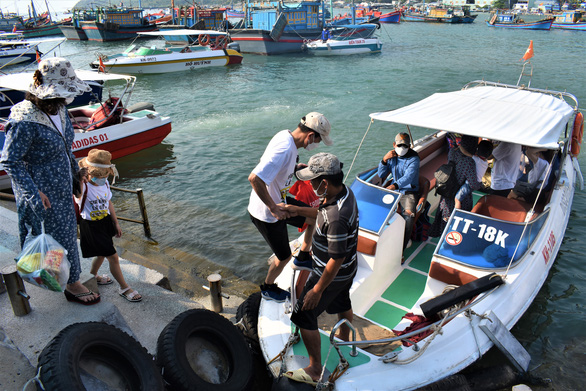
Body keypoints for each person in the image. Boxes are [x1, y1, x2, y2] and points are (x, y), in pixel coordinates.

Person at [0, 58, 99, 305]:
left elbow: (67, 147)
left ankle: (61, 275)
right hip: (41, 191)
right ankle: (70, 283)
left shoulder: (59, 110)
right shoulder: (24, 120)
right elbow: (10, 162)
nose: (67, 100)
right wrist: (34, 194)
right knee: (54, 237)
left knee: (64, 234)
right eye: (63, 95)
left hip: (63, 185)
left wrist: (77, 175)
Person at [280, 153, 358, 386]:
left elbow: (336, 257)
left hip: (330, 273)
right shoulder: (343, 193)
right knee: (342, 302)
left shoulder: (336, 217)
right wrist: (297, 210)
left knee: (304, 315)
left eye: (312, 181)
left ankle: (315, 369)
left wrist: (317, 290)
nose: (309, 185)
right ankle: (344, 341)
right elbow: (322, 214)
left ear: (324, 183)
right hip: (347, 271)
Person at [248, 112, 333, 302]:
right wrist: (273, 208)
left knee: (314, 217)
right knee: (283, 257)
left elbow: (277, 167)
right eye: (318, 140)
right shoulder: (285, 148)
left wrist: (294, 168)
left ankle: (303, 255)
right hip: (266, 212)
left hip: (280, 199)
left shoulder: (286, 137)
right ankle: (268, 287)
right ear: (311, 136)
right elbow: (255, 178)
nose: (316, 145)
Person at [76, 149, 142, 302]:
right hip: (91, 226)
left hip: (104, 222)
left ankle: (93, 276)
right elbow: (78, 194)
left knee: (101, 253)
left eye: (106, 174)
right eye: (100, 175)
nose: (103, 178)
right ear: (89, 173)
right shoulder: (83, 187)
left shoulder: (105, 183)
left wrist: (116, 222)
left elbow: (108, 203)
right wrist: (80, 179)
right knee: (113, 257)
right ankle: (124, 287)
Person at [429, 135, 481, 238]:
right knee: (458, 221)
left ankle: (443, 236)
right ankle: (454, 239)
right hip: (459, 196)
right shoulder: (470, 162)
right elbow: (473, 184)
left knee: (445, 216)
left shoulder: (452, 152)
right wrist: (480, 184)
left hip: (446, 190)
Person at [378, 132, 420, 249]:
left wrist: (394, 186)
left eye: (405, 146)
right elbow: (381, 173)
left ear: (409, 146)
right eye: (399, 145)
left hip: (408, 191)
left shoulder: (414, 159)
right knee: (379, 210)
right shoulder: (391, 156)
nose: (402, 148)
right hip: (394, 189)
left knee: (408, 217)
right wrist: (384, 160)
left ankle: (402, 245)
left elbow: (409, 177)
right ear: (394, 144)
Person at [454, 139, 493, 210]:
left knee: (457, 199)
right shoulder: (485, 162)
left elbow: (465, 152)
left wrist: (460, 146)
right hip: (477, 184)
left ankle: (455, 214)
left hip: (469, 184)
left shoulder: (476, 160)